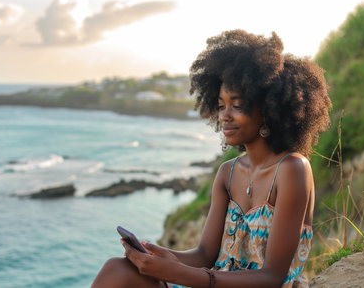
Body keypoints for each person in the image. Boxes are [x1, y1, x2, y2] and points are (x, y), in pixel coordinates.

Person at [91, 29, 332, 288]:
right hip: (213, 281)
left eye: (237, 105)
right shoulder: (227, 173)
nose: (225, 115)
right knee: (118, 268)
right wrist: (162, 256)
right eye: (221, 105)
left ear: (269, 109)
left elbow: (272, 277)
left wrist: (174, 273)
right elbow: (205, 255)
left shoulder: (292, 169)